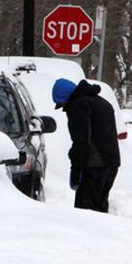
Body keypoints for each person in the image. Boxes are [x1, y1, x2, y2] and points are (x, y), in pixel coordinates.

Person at [52, 78, 120, 212]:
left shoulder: (78, 106)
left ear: (65, 98)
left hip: (94, 166)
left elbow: (81, 142)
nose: (64, 108)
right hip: (112, 163)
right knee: (100, 208)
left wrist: (76, 168)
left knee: (85, 213)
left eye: (62, 104)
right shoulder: (101, 102)